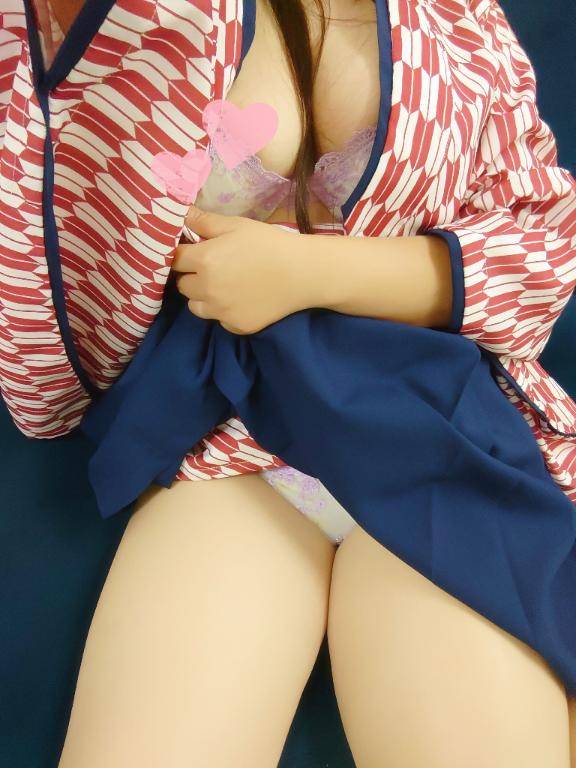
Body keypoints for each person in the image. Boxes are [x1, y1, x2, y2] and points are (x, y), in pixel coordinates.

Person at [4, 0, 576, 765]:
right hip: (225, 438)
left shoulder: (461, 16)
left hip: (434, 427)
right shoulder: (113, 21)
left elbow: (544, 250)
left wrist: (310, 271)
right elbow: (42, 336)